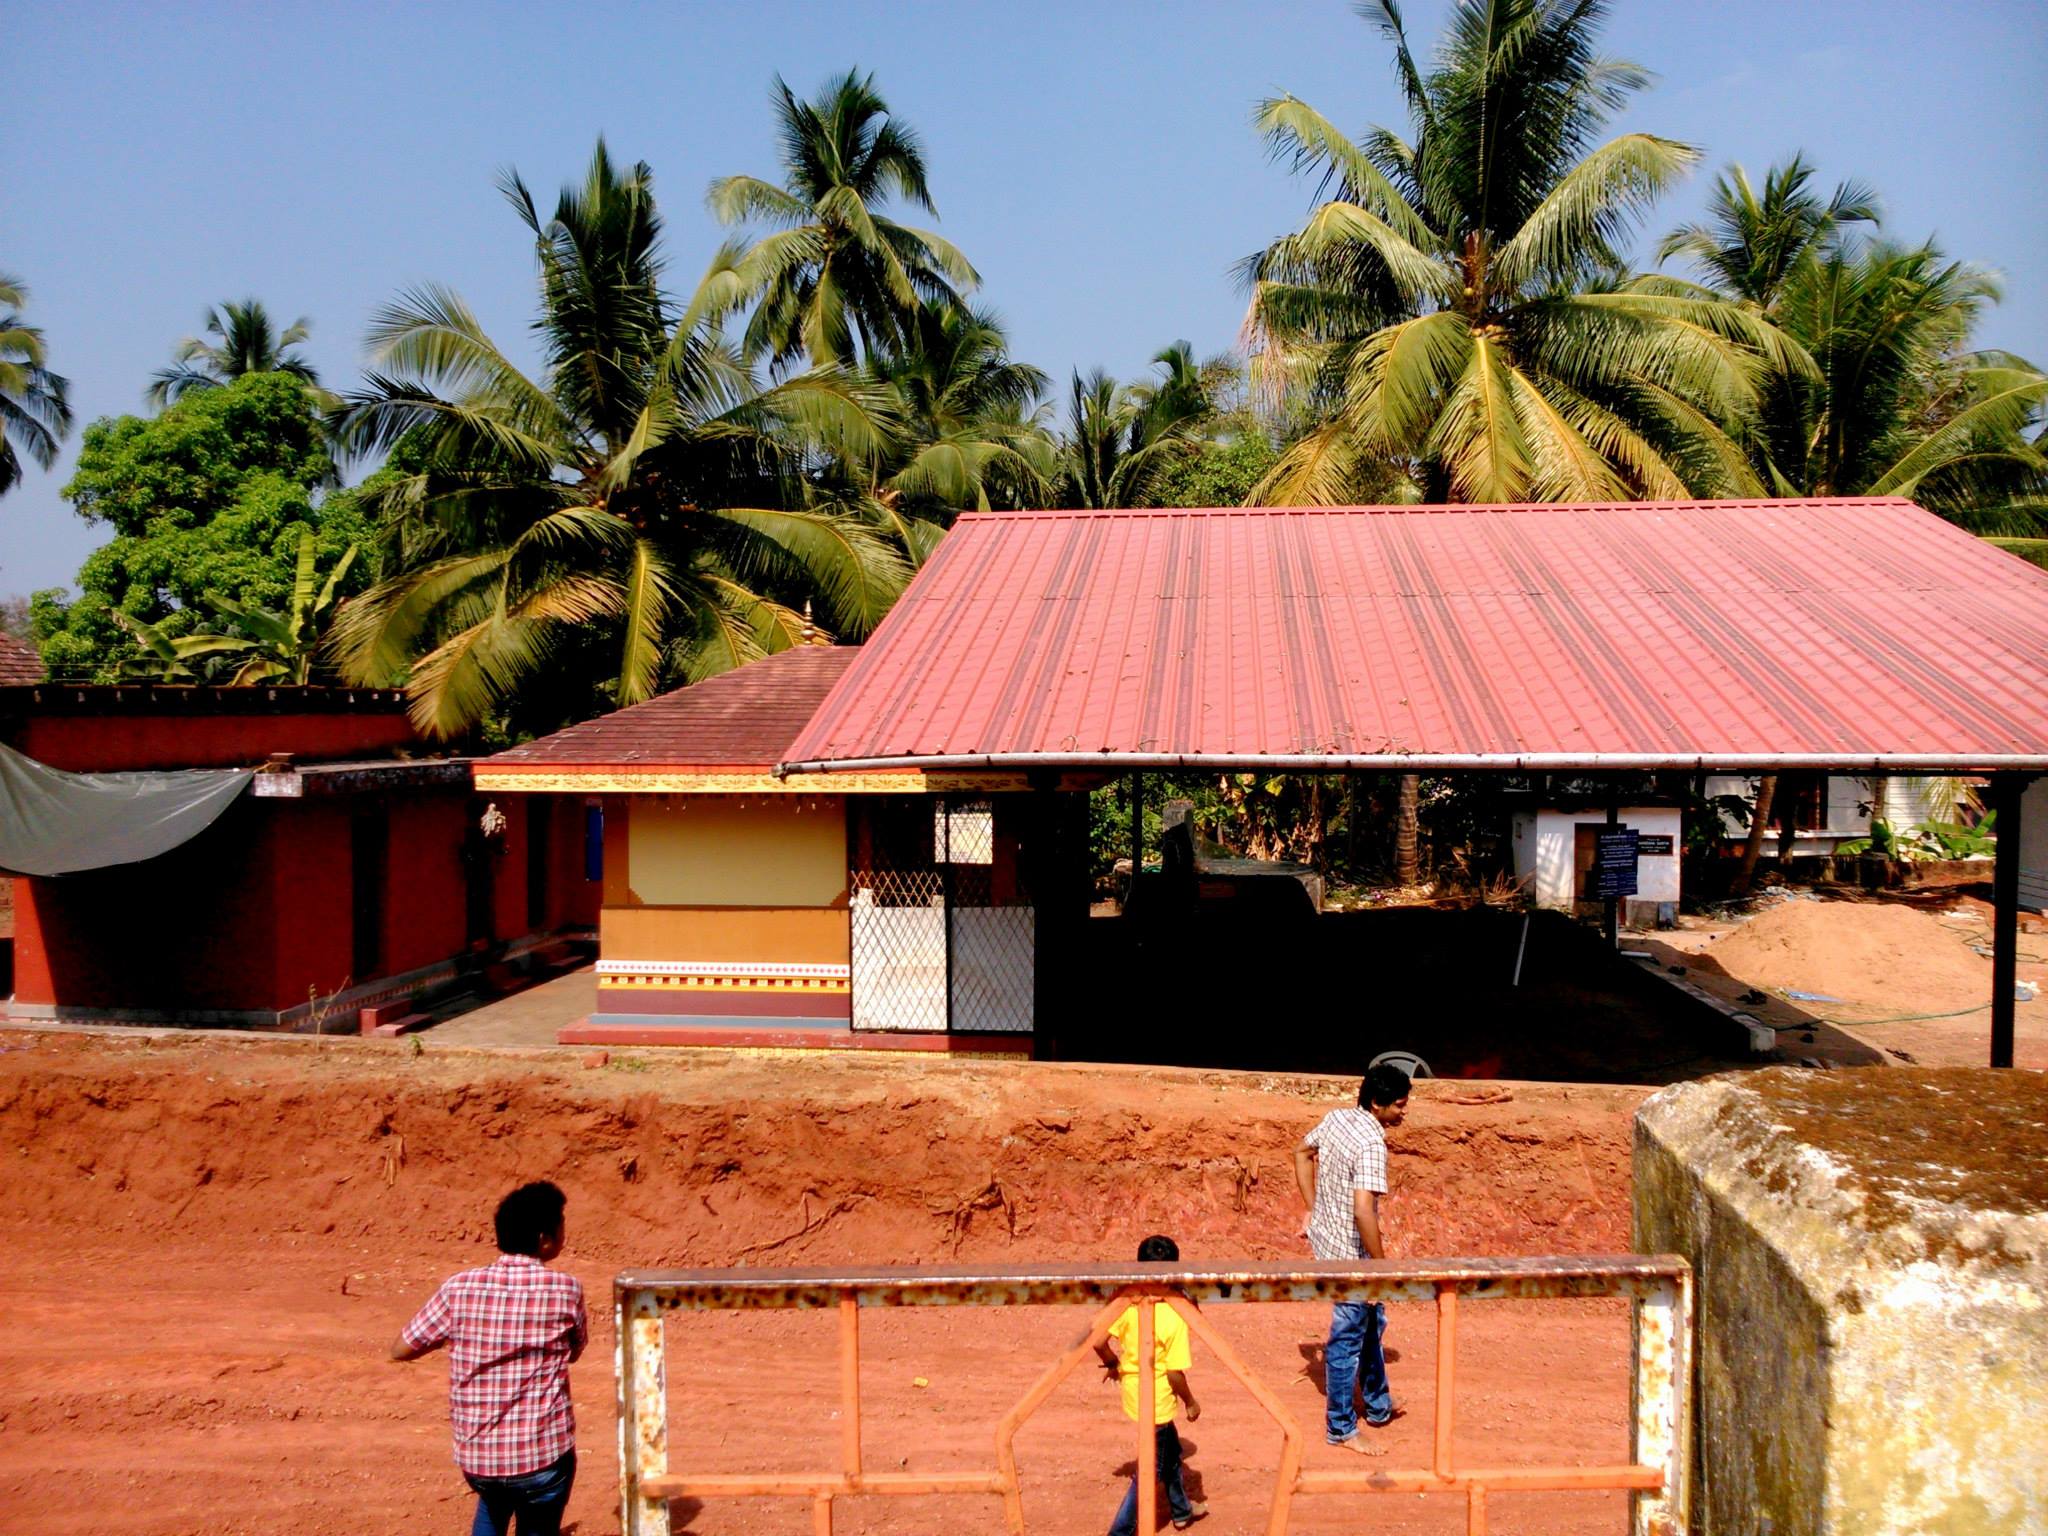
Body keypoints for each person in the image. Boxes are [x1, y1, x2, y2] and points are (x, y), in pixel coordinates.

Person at [392, 1181, 588, 1536]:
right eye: (561, 1225)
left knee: (495, 1498)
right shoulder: (567, 1289)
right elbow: (575, 1349)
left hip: (479, 1461)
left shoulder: (458, 1287)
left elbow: (402, 1349)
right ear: (545, 1239)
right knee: (535, 1508)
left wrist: (453, 1338)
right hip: (541, 1460)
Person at [1292, 1063, 1411, 1454]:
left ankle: (1376, 1405)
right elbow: (1365, 1211)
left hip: (1328, 1242)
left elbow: (1301, 1152)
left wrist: (1313, 1208)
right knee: (1347, 1338)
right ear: (1377, 1104)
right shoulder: (1372, 1144)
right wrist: (1380, 1268)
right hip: (1351, 1257)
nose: (1403, 1112)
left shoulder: (1337, 1118)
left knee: (1373, 1319)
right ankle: (1341, 1427)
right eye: (1398, 1105)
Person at [1095, 1234, 1208, 1533]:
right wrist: (1191, 1401)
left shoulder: (1128, 1300)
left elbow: (1097, 1341)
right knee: (1149, 1472)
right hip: (1157, 1399)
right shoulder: (1174, 1314)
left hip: (1133, 1391)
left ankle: (1181, 1510)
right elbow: (1174, 1373)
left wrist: (1113, 1364)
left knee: (1170, 1453)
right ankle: (1119, 1532)